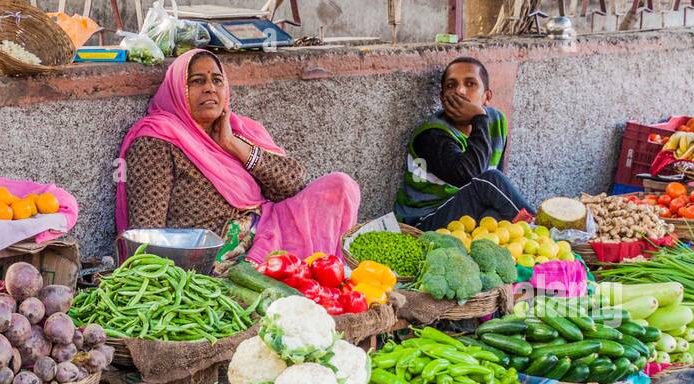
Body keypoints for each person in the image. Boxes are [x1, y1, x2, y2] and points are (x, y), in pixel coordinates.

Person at [116, 49, 360, 264]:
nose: (210, 88)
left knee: (339, 186)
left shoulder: (236, 130)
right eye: (197, 81)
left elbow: (293, 186)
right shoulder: (157, 140)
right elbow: (147, 232)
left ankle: (316, 273)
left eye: (217, 80)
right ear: (178, 90)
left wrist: (232, 144)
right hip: (215, 261)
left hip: (268, 234)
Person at [394, 57, 533, 230]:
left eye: (470, 84)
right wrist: (479, 119)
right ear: (443, 98)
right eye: (451, 85)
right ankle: (542, 232)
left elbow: (496, 184)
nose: (460, 91)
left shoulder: (496, 121)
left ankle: (541, 239)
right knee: (491, 181)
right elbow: (471, 177)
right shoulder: (432, 135)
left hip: (466, 213)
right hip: (424, 222)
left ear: (487, 97)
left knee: (500, 217)